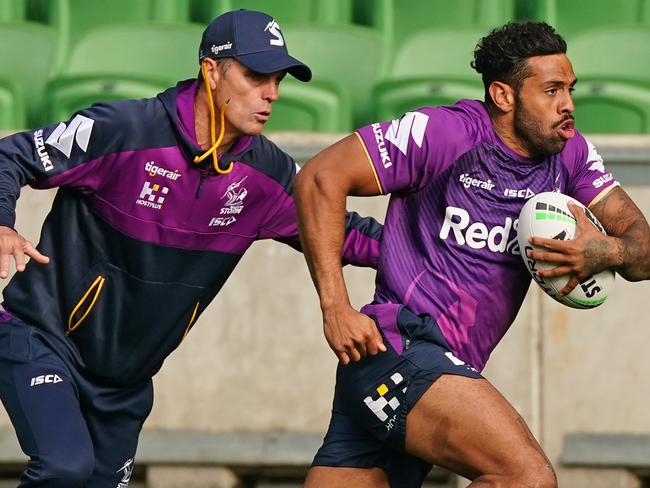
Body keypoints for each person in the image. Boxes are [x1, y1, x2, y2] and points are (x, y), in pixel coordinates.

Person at [0, 9, 381, 487]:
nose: (272, 94)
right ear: (212, 70)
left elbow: (341, 230)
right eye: (256, 75)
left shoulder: (268, 175)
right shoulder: (125, 130)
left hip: (125, 383)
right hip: (42, 337)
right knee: (64, 468)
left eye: (279, 79)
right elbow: (9, 155)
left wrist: (434, 249)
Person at [294, 21, 650, 488]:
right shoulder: (444, 133)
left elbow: (642, 248)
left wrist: (602, 250)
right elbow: (319, 178)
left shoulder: (571, 156)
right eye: (551, 90)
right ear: (504, 96)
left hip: (431, 374)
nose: (569, 105)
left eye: (570, 89)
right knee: (526, 477)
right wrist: (335, 307)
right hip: (400, 347)